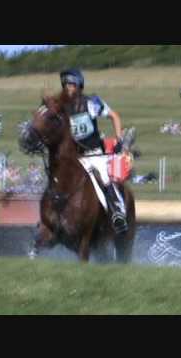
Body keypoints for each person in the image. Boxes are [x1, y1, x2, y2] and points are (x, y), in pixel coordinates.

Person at [49, 69, 128, 234]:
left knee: (105, 179)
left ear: (79, 86)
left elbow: (115, 116)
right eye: (66, 85)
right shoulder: (61, 108)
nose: (68, 88)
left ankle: (118, 214)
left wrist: (119, 139)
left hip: (94, 154)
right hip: (74, 158)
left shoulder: (92, 102)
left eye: (71, 84)